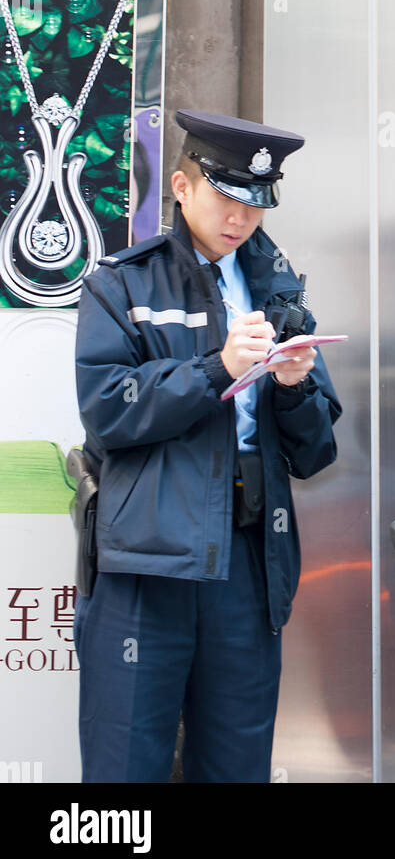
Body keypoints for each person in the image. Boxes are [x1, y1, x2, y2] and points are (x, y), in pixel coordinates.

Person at [73, 110, 342, 782]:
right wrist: (215, 368)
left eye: (256, 202)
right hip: (148, 565)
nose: (241, 217)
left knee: (236, 762)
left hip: (250, 563)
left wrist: (292, 386)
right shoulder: (123, 283)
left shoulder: (280, 289)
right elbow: (109, 410)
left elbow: (315, 452)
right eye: (225, 196)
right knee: (124, 763)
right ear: (181, 186)